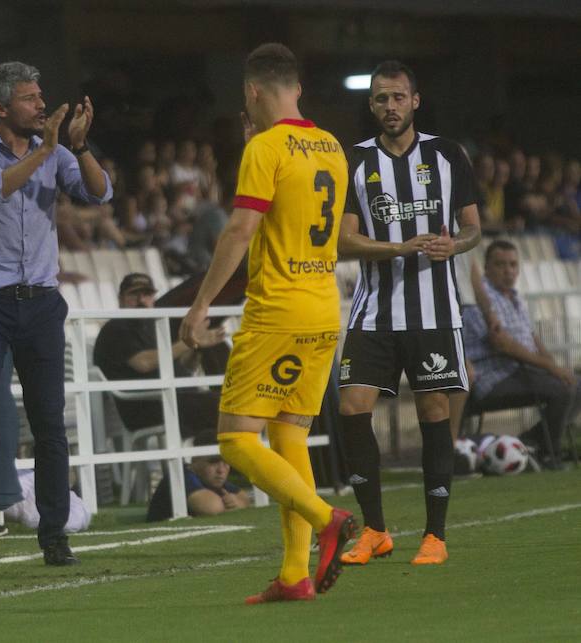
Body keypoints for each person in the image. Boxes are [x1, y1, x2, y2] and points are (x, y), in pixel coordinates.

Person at [179, 43, 354, 603]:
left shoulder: (264, 146)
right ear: (296, 88)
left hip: (278, 308)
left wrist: (200, 304)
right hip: (324, 306)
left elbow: (239, 230)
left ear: (253, 93)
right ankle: (293, 574)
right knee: (288, 434)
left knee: (234, 438)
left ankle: (326, 518)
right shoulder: (330, 145)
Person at [0, 60, 112, 567]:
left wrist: (78, 148)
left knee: (48, 424)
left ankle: (55, 535)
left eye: (41, 96)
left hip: (40, 301)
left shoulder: (58, 151)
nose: (41, 105)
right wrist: (46, 149)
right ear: (1, 108)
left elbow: (99, 193)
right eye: (29, 98)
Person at [336, 60, 481, 567]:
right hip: (373, 310)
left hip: (434, 310)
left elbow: (472, 229)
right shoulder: (354, 161)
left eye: (398, 97)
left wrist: (454, 246)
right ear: (371, 104)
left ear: (415, 101)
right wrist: (397, 249)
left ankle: (435, 536)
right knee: (352, 405)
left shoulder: (447, 155)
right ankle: (374, 529)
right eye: (381, 99)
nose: (390, 107)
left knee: (433, 412)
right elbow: (343, 240)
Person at [463, 240, 580, 469]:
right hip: (492, 378)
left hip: (521, 373)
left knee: (575, 384)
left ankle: (530, 442)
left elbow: (532, 337)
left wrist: (554, 365)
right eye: (500, 264)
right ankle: (548, 454)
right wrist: (550, 368)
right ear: (486, 268)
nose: (508, 270)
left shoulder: (514, 298)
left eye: (513, 265)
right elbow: (503, 345)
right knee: (563, 389)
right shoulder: (482, 300)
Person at [94, 272, 225, 438]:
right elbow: (143, 363)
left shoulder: (155, 326)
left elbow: (181, 366)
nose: (141, 300)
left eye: (147, 294)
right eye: (134, 294)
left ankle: (213, 461)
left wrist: (196, 348)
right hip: (147, 406)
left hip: (175, 399)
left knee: (232, 405)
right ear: (120, 299)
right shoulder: (116, 328)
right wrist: (189, 341)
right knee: (222, 407)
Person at [146, 431, 251, 522]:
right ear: (195, 460)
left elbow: (244, 498)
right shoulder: (182, 476)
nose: (221, 470)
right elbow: (213, 507)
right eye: (213, 462)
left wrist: (235, 502)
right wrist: (231, 504)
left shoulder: (211, 478)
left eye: (226, 462)